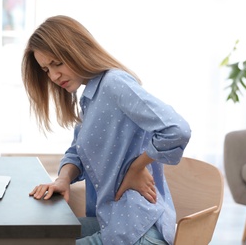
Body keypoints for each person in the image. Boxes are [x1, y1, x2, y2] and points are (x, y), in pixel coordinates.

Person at [21, 15, 191, 245]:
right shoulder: (90, 98)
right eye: (46, 70)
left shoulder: (114, 84)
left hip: (139, 231)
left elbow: (176, 129)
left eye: (57, 63)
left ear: (78, 50)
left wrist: (136, 167)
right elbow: (77, 152)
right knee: (36, 236)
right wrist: (63, 178)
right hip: (112, 222)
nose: (53, 76)